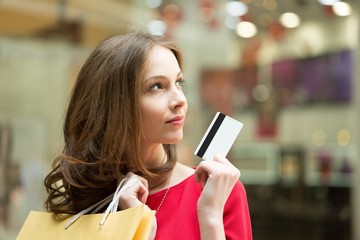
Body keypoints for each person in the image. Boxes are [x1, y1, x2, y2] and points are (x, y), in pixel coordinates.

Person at [44, 31, 252, 239]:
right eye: (156, 86)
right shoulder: (88, 198)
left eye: (179, 82)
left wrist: (210, 218)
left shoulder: (218, 192)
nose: (179, 100)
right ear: (115, 104)